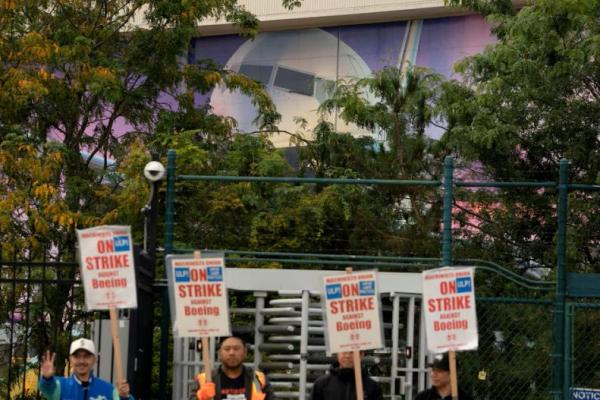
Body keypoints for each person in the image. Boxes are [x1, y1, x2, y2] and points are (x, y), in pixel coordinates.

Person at [39, 338, 134, 400]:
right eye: (77, 356)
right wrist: (47, 378)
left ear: (94, 359)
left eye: (86, 356)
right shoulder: (61, 386)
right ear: (70, 360)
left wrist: (124, 397)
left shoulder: (108, 389)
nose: (81, 361)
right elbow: (47, 387)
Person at [195, 336, 274, 400]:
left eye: (236, 349)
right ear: (219, 354)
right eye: (227, 349)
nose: (232, 353)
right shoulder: (205, 380)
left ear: (245, 352)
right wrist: (200, 397)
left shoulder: (259, 379)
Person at [310, 351, 383, 400]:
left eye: (352, 352)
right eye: (344, 351)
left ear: (361, 355)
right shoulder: (321, 384)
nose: (347, 356)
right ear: (338, 353)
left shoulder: (372, 387)